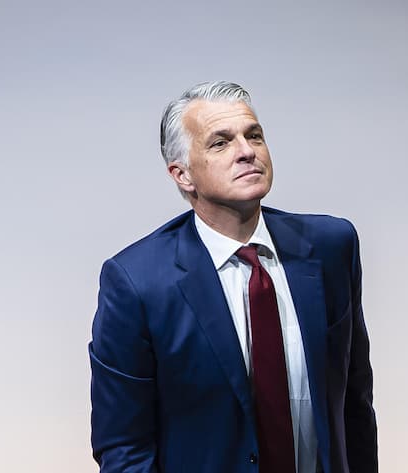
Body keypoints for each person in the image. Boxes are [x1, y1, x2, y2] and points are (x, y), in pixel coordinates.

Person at [89, 81, 378, 473]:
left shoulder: (332, 248)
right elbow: (124, 447)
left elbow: (355, 405)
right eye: (220, 142)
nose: (247, 152)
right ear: (182, 175)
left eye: (254, 135)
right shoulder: (136, 283)